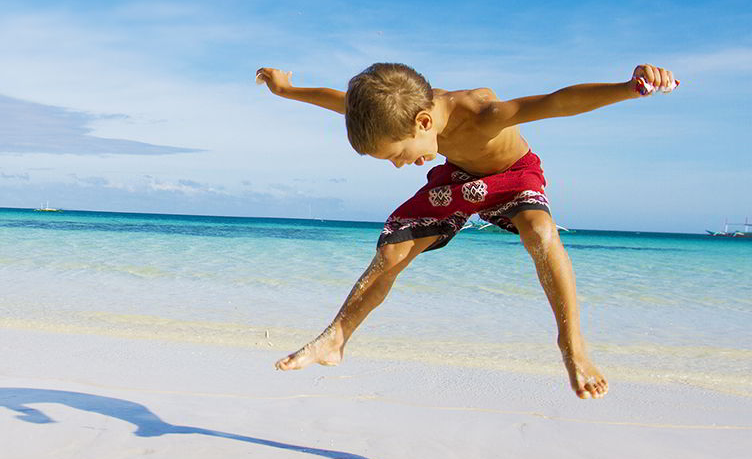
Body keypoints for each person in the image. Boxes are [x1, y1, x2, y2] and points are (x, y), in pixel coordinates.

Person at [255, 62, 677, 399]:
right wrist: (287, 91)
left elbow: (559, 101)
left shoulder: (482, 113)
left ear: (423, 123)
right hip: (457, 179)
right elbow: (341, 100)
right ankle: (335, 338)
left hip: (513, 176)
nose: (399, 165)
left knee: (541, 234)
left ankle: (573, 347)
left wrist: (629, 86)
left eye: (398, 155)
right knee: (391, 255)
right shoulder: (392, 110)